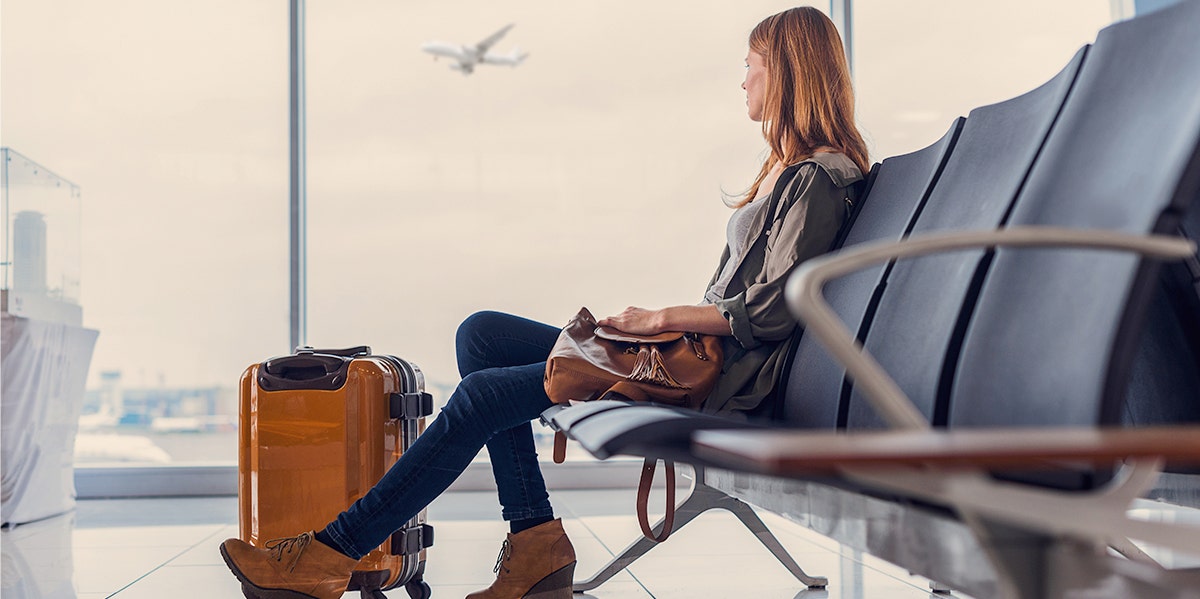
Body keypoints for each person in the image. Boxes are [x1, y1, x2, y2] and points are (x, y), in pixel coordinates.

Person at [219, 6, 869, 599]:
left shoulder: (820, 177)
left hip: (718, 381)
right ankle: (534, 542)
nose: (743, 83)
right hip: (688, 360)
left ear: (785, 73)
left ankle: (331, 553)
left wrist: (661, 320)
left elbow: (777, 311)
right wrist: (648, 329)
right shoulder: (788, 169)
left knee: (480, 396)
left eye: (751, 68)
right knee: (482, 337)